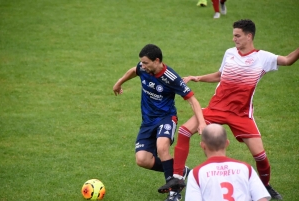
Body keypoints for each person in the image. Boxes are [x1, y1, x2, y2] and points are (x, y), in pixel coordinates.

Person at [158, 19, 299, 200]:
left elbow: (287, 60)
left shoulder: (263, 57)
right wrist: (196, 77)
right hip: (217, 107)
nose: (234, 39)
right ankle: (177, 179)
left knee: (261, 156)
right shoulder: (230, 53)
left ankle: (265, 186)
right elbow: (219, 75)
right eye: (233, 35)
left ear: (249, 36)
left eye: (237, 36)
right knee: (185, 131)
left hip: (241, 114)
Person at [113, 44, 206, 201]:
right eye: (141, 62)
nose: (142, 66)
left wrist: (202, 123)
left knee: (162, 147)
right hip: (148, 122)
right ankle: (180, 171)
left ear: (157, 61)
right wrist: (119, 82)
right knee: (142, 160)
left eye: (145, 62)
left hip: (166, 118)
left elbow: (193, 100)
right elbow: (133, 71)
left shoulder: (171, 78)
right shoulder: (143, 68)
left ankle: (174, 194)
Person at [185, 124, 271, 201]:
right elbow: (261, 199)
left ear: (202, 145)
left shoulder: (196, 173)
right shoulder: (246, 169)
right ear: (227, 143)